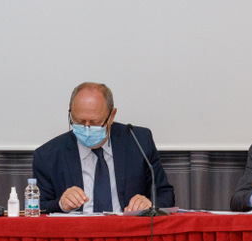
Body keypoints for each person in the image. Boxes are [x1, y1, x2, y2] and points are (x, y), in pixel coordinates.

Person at [32, 82, 174, 213]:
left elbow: (166, 195)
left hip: (127, 229)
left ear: (111, 116)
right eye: (79, 122)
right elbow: (37, 208)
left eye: (94, 123)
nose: (87, 128)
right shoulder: (48, 156)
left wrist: (149, 204)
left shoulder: (138, 142)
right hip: (77, 231)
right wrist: (61, 204)